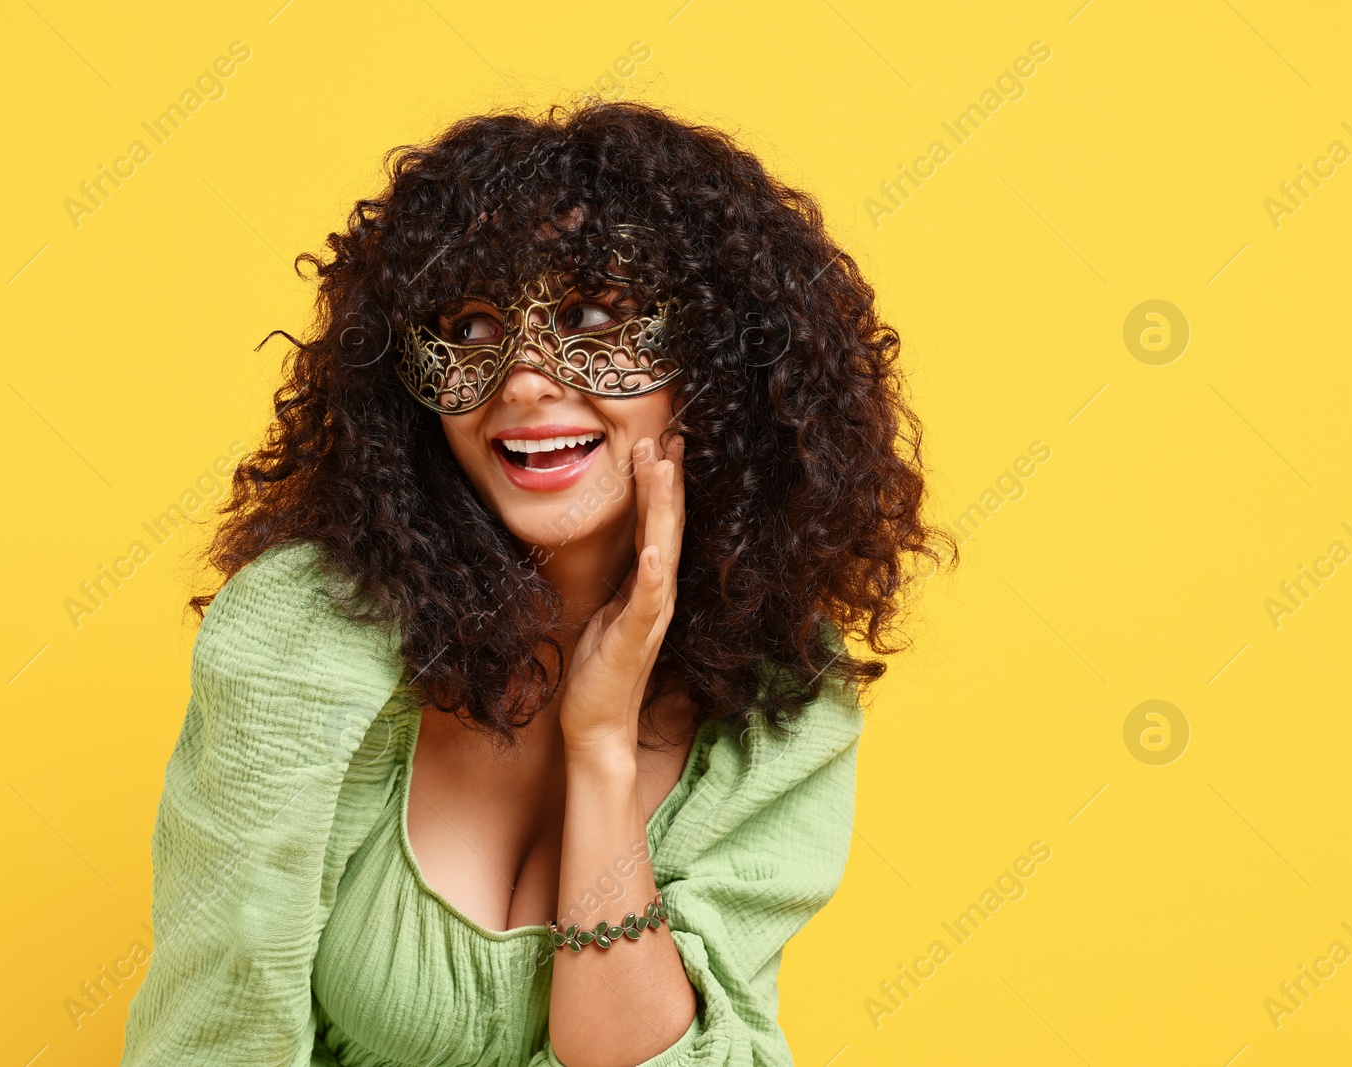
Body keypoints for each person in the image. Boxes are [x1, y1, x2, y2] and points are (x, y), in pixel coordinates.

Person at [119, 99, 952, 1067]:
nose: (521, 378)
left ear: (716, 357)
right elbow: (211, 1031)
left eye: (590, 315)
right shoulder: (303, 628)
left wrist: (597, 743)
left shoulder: (782, 696)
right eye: (467, 324)